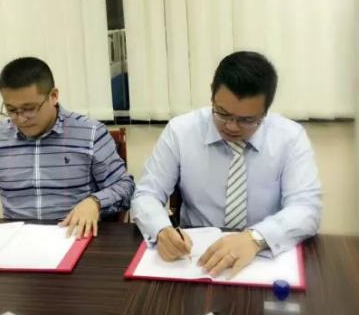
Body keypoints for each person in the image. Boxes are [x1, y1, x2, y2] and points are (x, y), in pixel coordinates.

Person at [131, 51, 322, 278]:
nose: (231, 126)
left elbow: (307, 208)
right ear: (212, 94)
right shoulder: (181, 131)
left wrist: (256, 238)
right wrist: (161, 230)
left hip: (262, 255)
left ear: (265, 111)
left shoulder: (289, 137)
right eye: (222, 113)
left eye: (247, 120)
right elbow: (147, 194)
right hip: (195, 255)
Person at [0, 57, 134, 240]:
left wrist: (95, 202)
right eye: (11, 110)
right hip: (17, 240)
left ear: (53, 96)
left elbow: (124, 186)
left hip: (73, 236)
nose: (21, 118)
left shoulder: (90, 133)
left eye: (29, 109)